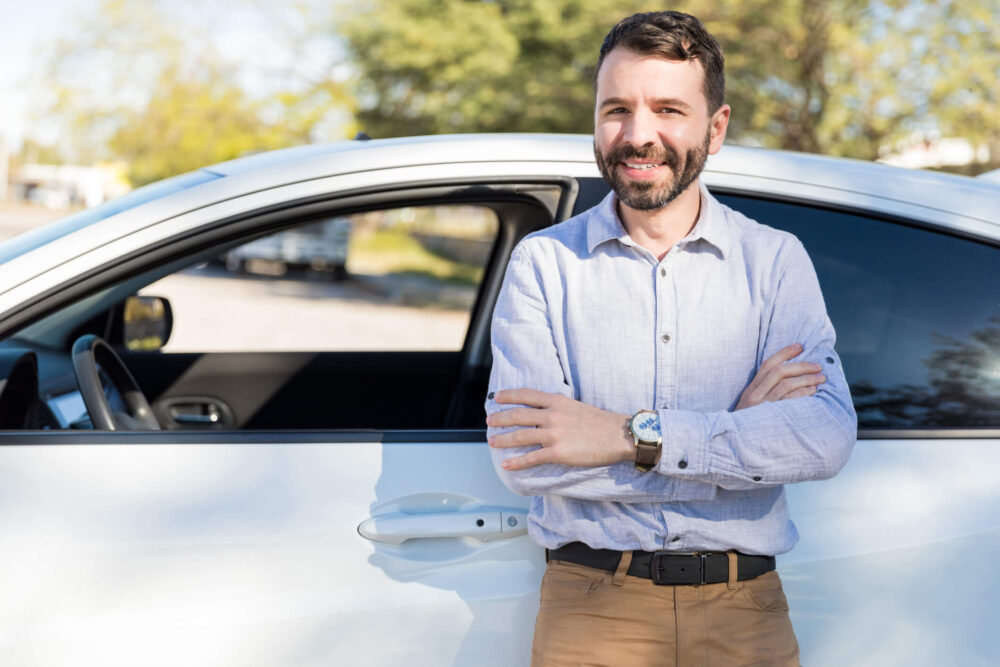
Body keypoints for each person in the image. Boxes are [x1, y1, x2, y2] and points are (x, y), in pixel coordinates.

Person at [484, 10, 857, 667]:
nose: (638, 135)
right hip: (592, 606)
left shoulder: (774, 262)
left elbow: (824, 437)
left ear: (716, 128)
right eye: (617, 108)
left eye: (667, 109)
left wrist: (628, 435)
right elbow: (531, 460)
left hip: (746, 614)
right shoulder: (544, 264)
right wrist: (736, 437)